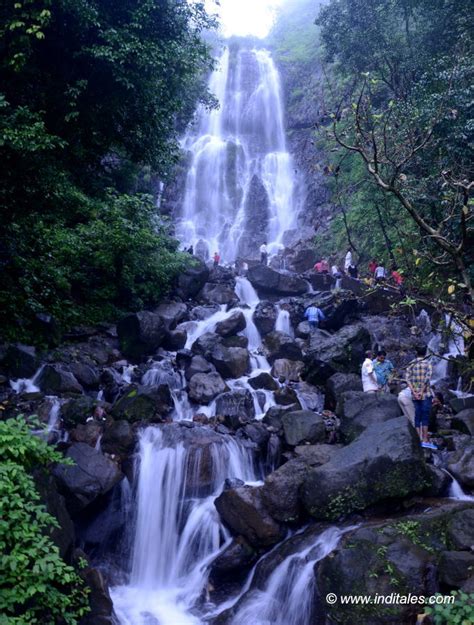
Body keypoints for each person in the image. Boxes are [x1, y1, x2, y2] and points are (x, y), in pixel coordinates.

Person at [406, 344, 436, 449]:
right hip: (425, 394)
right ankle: (425, 440)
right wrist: (421, 392)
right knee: (425, 417)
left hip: (415, 395)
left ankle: (419, 439)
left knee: (417, 416)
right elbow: (427, 380)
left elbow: (407, 379)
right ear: (425, 353)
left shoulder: (411, 364)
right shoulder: (428, 364)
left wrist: (414, 392)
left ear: (416, 353)